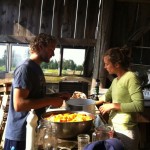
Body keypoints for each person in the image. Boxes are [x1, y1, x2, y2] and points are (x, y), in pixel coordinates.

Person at [4, 33, 71, 150]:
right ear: (40, 47)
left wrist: (55, 96)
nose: (53, 54)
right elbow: (19, 104)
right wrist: (51, 100)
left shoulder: (36, 68)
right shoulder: (25, 69)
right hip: (20, 134)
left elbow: (36, 96)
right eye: (51, 49)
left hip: (33, 129)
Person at [97, 47, 144, 150]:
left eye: (107, 64)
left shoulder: (130, 77)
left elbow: (139, 105)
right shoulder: (115, 81)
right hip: (114, 128)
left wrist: (113, 105)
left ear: (117, 64)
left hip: (126, 131)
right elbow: (106, 96)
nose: (105, 67)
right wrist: (88, 102)